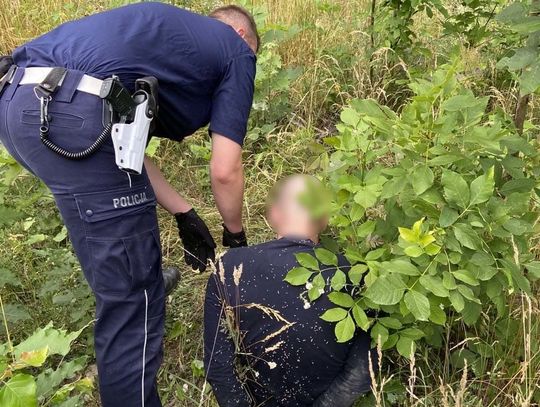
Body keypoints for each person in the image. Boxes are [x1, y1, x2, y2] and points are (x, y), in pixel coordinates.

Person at [0, 3, 258, 406]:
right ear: (242, 36)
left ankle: (141, 283)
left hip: (18, 104)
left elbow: (124, 149)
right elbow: (226, 168)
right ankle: (138, 295)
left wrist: (183, 211)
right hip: (73, 112)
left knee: (117, 246)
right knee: (130, 297)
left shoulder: (161, 36)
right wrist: (235, 235)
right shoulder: (237, 50)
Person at [204, 175, 374, 406]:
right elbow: (360, 373)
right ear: (324, 218)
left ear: (273, 214)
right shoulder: (356, 275)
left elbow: (218, 368)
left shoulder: (229, 267)